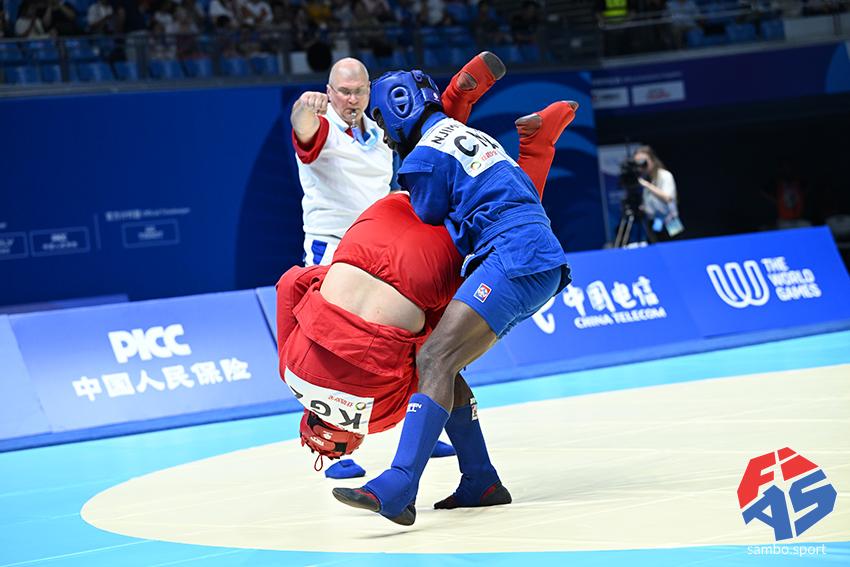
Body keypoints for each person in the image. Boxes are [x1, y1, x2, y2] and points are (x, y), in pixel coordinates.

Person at [278, 66, 576, 527]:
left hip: (505, 257)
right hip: (511, 250)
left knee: (434, 359)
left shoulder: (423, 158)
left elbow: (431, 208)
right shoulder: (467, 138)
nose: (383, 132)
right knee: (441, 360)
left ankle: (400, 484)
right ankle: (480, 479)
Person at [290, 53, 507, 266]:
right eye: (345, 92)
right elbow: (302, 125)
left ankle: (461, 93)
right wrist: (304, 106)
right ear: (329, 91)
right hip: (332, 247)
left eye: (359, 91)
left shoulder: (380, 130)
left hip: (374, 244)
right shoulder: (322, 126)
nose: (353, 99)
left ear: (369, 89)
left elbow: (378, 187)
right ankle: (458, 93)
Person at [634, 145, 683, 241]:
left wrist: (647, 185)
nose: (641, 166)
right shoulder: (644, 179)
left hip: (671, 221)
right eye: (637, 163)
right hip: (655, 222)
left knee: (675, 246)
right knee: (657, 246)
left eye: (643, 162)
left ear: (652, 160)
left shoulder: (665, 175)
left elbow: (668, 198)